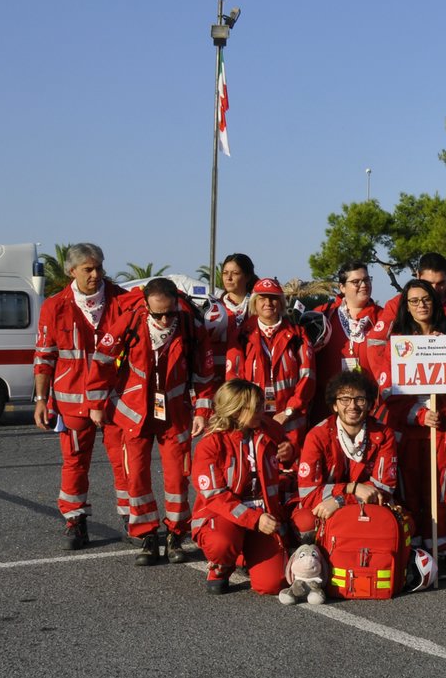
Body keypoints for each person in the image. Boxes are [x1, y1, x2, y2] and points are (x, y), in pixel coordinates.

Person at [87, 277, 215, 565]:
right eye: (157, 314)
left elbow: (205, 375)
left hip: (176, 413)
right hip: (134, 413)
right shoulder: (130, 322)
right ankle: (147, 535)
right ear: (146, 305)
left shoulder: (190, 326)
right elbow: (102, 359)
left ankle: (176, 535)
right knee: (137, 476)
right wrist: (96, 404)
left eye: (170, 312)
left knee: (177, 479)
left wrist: (203, 412)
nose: (164, 319)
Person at [33, 242, 135, 548]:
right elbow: (44, 356)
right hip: (72, 401)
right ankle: (75, 521)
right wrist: (40, 399)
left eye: (99, 267)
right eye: (88, 269)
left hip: (117, 400)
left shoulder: (124, 301)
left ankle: (133, 519)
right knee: (75, 462)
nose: (95, 274)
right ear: (72, 271)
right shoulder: (54, 306)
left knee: (123, 461)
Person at [369, 277, 446, 565]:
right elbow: (389, 393)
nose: (421, 305)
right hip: (409, 432)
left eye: (425, 299)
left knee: (441, 493)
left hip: (442, 430)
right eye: (414, 301)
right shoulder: (397, 344)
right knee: (411, 493)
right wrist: (420, 414)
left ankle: (441, 553)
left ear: (434, 304)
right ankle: (415, 556)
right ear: (406, 307)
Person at [190, 379, 290, 595]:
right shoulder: (211, 444)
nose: (262, 411)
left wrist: (290, 453)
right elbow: (216, 497)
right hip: (224, 514)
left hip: (265, 511)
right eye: (256, 407)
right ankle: (221, 565)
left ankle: (245, 554)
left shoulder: (270, 428)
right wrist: (254, 520)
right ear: (236, 411)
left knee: (273, 585)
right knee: (221, 543)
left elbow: (292, 463)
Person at [291, 370, 398, 539]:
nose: (352, 406)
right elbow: (308, 493)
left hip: (367, 505)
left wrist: (341, 502)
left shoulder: (383, 435)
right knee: (305, 523)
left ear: (369, 404)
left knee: (402, 522)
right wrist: (351, 489)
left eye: (360, 399)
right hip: (326, 505)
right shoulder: (317, 436)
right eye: (345, 399)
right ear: (334, 405)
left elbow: (383, 489)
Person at [225, 277, 316, 459]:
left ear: (281, 302)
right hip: (251, 420)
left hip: (290, 420)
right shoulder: (242, 335)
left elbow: (308, 377)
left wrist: (288, 412)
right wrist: (248, 414)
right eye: (262, 298)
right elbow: (233, 380)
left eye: (273, 298)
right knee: (256, 472)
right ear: (254, 302)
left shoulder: (297, 335)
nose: (268, 303)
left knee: (289, 475)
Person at [309, 261, 380, 422]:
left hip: (369, 406)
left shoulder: (383, 318)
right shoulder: (322, 315)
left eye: (367, 280)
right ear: (342, 287)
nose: (364, 285)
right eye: (356, 282)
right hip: (327, 407)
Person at [204, 252, 257, 354]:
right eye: (225, 273)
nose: (228, 278)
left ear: (248, 277)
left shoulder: (258, 308)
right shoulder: (213, 308)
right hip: (219, 368)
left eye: (235, 273)